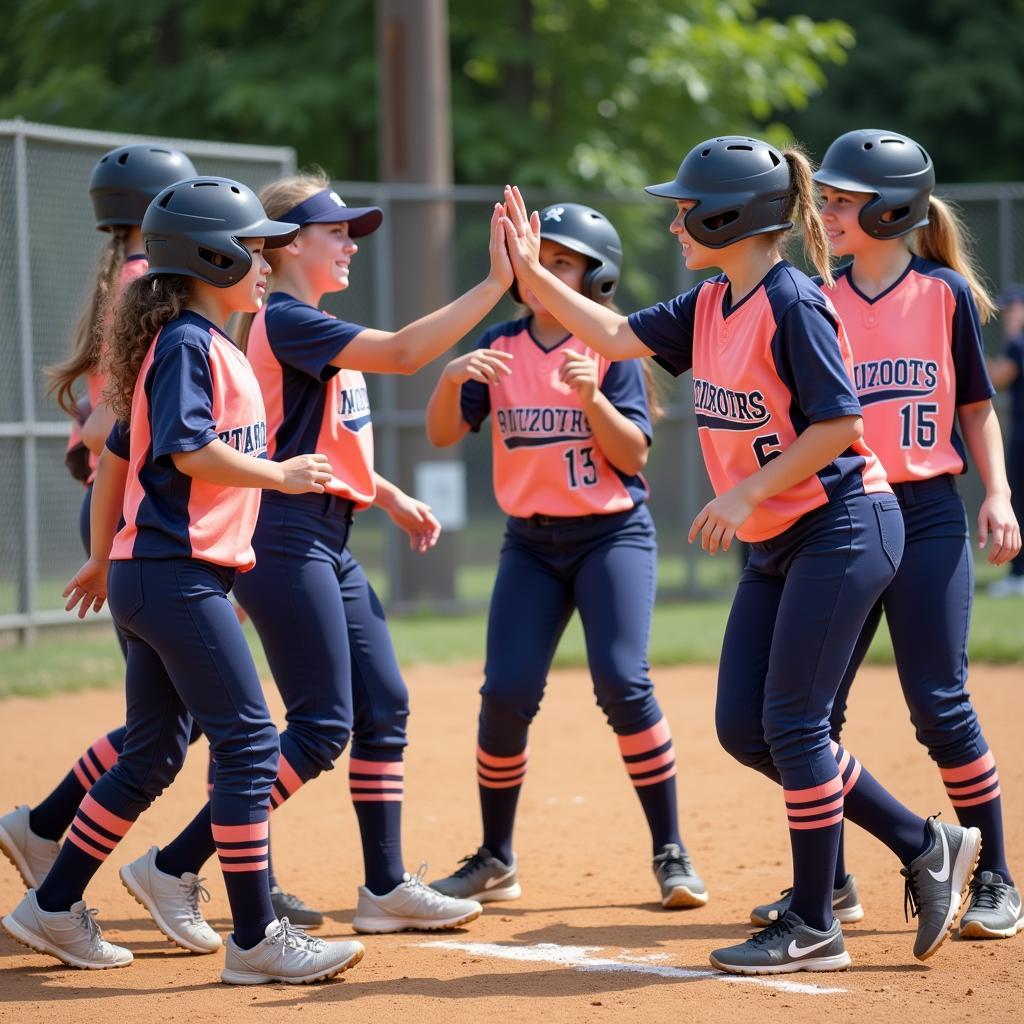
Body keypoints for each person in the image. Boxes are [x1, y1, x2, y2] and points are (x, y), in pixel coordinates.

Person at [496, 136, 981, 975]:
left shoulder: (794, 302)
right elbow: (612, 335)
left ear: (733, 216)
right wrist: (534, 279)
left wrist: (743, 492)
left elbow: (839, 426)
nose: (677, 223)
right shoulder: (713, 299)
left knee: (792, 723)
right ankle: (923, 842)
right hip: (782, 539)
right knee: (743, 728)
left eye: (688, 210)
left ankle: (812, 920)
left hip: (843, 526)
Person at [122, 170, 513, 947]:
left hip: (325, 537)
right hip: (282, 538)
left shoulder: (304, 324)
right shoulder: (289, 322)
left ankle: (383, 885)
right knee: (318, 724)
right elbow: (404, 354)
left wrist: (387, 495)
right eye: (337, 231)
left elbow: (317, 444)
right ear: (285, 244)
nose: (350, 245)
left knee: (383, 705)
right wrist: (497, 283)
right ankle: (174, 864)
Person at [2, 176, 364, 985]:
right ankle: (257, 938)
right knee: (248, 742)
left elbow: (116, 465)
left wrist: (103, 557)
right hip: (175, 578)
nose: (267, 263)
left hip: (154, 574)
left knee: (152, 751)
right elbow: (188, 453)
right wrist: (279, 474)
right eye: (256, 249)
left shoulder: (193, 345)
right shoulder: (190, 348)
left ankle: (50, 906)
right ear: (212, 256)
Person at [747, 129, 1021, 942]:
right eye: (824, 198)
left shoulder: (942, 295)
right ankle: (827, 883)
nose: (825, 212)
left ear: (894, 208)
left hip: (929, 513)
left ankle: (996, 876)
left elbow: (976, 408)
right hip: (841, 514)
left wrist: (998, 493)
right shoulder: (812, 296)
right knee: (808, 716)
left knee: (939, 704)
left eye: (842, 200)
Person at [424, 202, 706, 911]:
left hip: (610, 537)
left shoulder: (607, 349)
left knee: (621, 680)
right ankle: (496, 856)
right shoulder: (500, 344)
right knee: (506, 692)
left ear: (597, 276)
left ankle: (671, 851)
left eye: (560, 261)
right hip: (530, 545)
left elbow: (633, 454)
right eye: (536, 256)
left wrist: (592, 400)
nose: (541, 270)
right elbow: (439, 436)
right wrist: (451, 378)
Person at [987, 283, 1024, 597]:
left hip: (1022, 436)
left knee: (1020, 502)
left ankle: (1018, 575)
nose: (1008, 315)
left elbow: (997, 378)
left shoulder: (1018, 344)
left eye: (1013, 309)